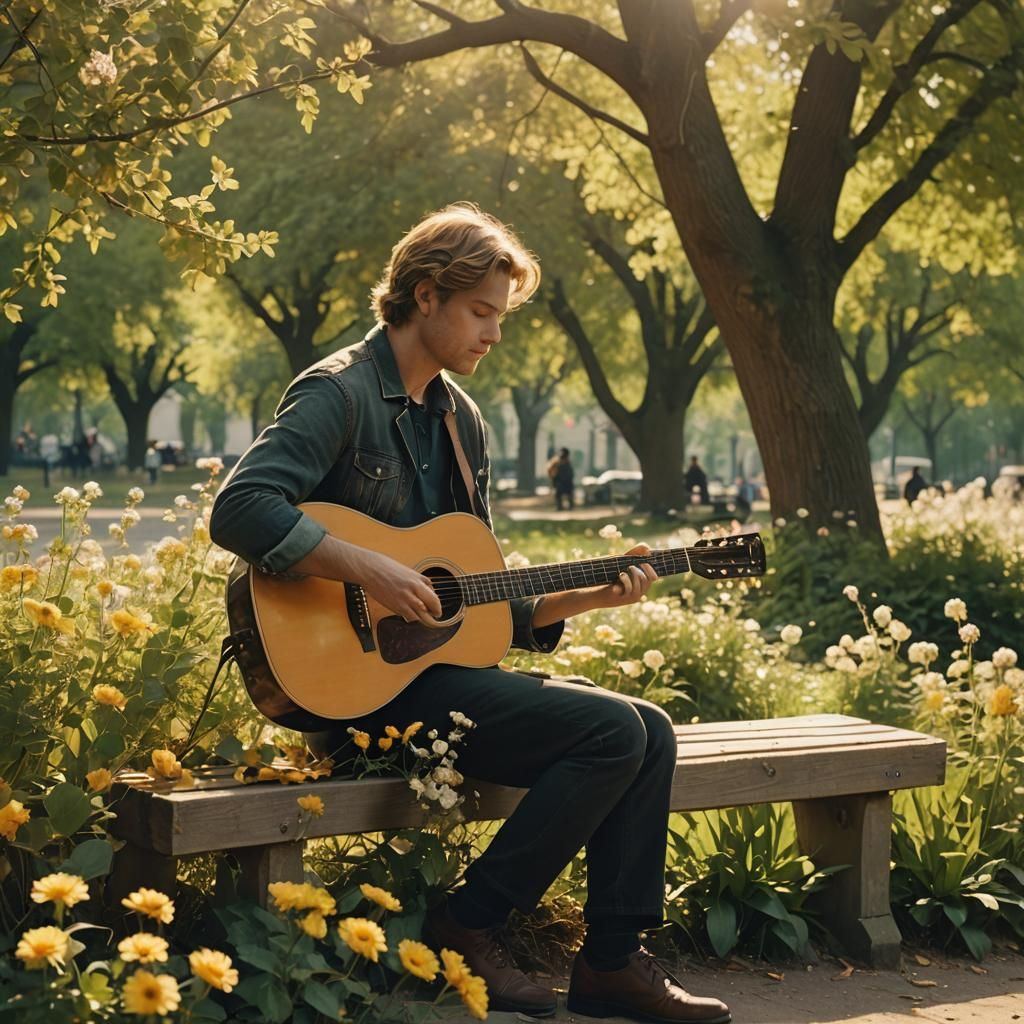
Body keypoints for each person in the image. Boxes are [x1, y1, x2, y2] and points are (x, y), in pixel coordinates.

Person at [210, 203, 730, 1024]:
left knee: (650, 728)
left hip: (431, 681)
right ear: (426, 296)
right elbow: (239, 508)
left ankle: (611, 964)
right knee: (612, 734)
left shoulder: (462, 421)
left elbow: (474, 599)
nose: (494, 333)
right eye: (482, 312)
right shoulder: (339, 392)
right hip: (347, 696)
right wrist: (365, 565)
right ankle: (466, 925)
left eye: (501, 315)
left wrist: (590, 593)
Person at [547, 446, 575, 510]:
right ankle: (559, 507)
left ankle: (570, 506)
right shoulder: (556, 461)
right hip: (559, 481)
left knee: (569, 494)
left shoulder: (568, 461)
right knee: (558, 494)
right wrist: (553, 477)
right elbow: (549, 470)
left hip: (567, 481)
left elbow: (570, 473)